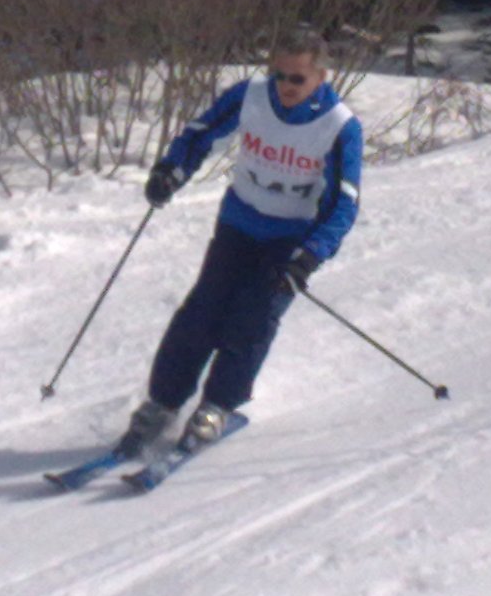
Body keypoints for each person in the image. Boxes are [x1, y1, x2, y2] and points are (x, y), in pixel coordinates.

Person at [114, 28, 364, 457]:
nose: (286, 86)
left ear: (321, 77)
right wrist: (171, 172)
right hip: (239, 223)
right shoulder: (251, 95)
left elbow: (344, 203)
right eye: (279, 75)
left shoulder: (339, 127)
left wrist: (308, 257)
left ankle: (217, 406)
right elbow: (201, 133)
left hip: (289, 238)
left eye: (297, 79)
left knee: (252, 321)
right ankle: (162, 404)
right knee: (201, 313)